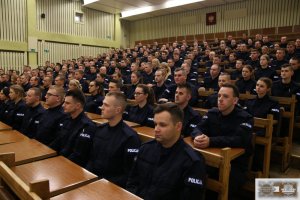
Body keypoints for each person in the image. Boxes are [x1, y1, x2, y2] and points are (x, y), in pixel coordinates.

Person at [126, 103, 206, 200]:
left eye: (162, 125)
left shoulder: (192, 162)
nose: (156, 129)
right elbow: (132, 182)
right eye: (155, 124)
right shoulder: (145, 149)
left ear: (178, 126)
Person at [192, 83, 253, 198]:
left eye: (225, 96)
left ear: (235, 101)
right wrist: (198, 136)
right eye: (219, 95)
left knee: (224, 186)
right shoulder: (212, 113)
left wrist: (211, 141)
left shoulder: (245, 118)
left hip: (235, 163)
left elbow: (239, 140)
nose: (220, 99)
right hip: (211, 158)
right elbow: (197, 128)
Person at [86, 92, 141, 188]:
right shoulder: (100, 129)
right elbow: (91, 158)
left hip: (111, 186)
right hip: (93, 179)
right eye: (103, 104)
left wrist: (103, 183)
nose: (101, 107)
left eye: (106, 105)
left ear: (118, 110)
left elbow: (129, 173)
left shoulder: (130, 138)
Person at [50, 89, 96, 167]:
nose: (63, 105)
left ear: (78, 106)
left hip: (71, 166)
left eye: (67, 103)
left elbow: (78, 156)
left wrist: (58, 163)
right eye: (64, 102)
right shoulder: (67, 120)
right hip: (59, 160)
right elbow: (57, 141)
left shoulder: (87, 126)